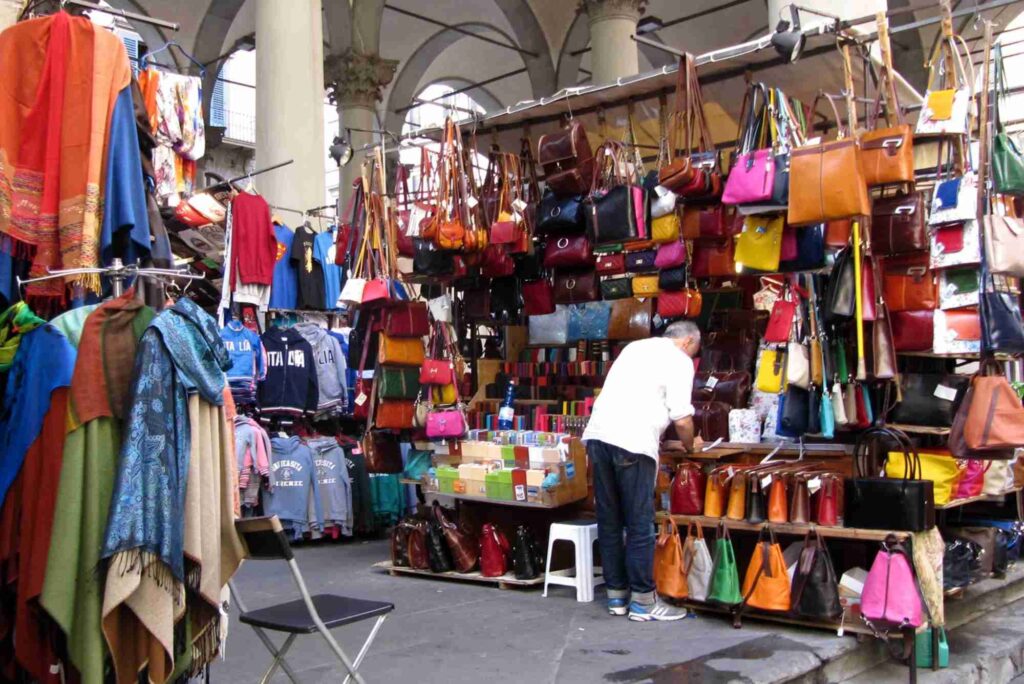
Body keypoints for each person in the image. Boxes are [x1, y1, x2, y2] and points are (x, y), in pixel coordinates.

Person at [581, 320, 701, 622]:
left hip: (598, 436)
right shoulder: (679, 360)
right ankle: (644, 603)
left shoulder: (635, 348)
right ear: (688, 342)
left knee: (609, 520)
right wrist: (691, 446)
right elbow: (683, 418)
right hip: (633, 443)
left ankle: (617, 597)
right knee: (639, 524)